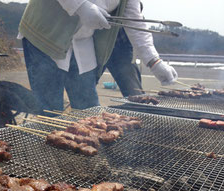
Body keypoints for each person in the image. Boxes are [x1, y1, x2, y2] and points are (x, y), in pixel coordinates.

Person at [19, 0, 178, 112]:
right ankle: (50, 156)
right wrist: (81, 5)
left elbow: (135, 22)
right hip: (45, 37)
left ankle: (84, 160)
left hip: (82, 44)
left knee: (89, 110)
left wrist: (154, 61)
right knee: (50, 111)